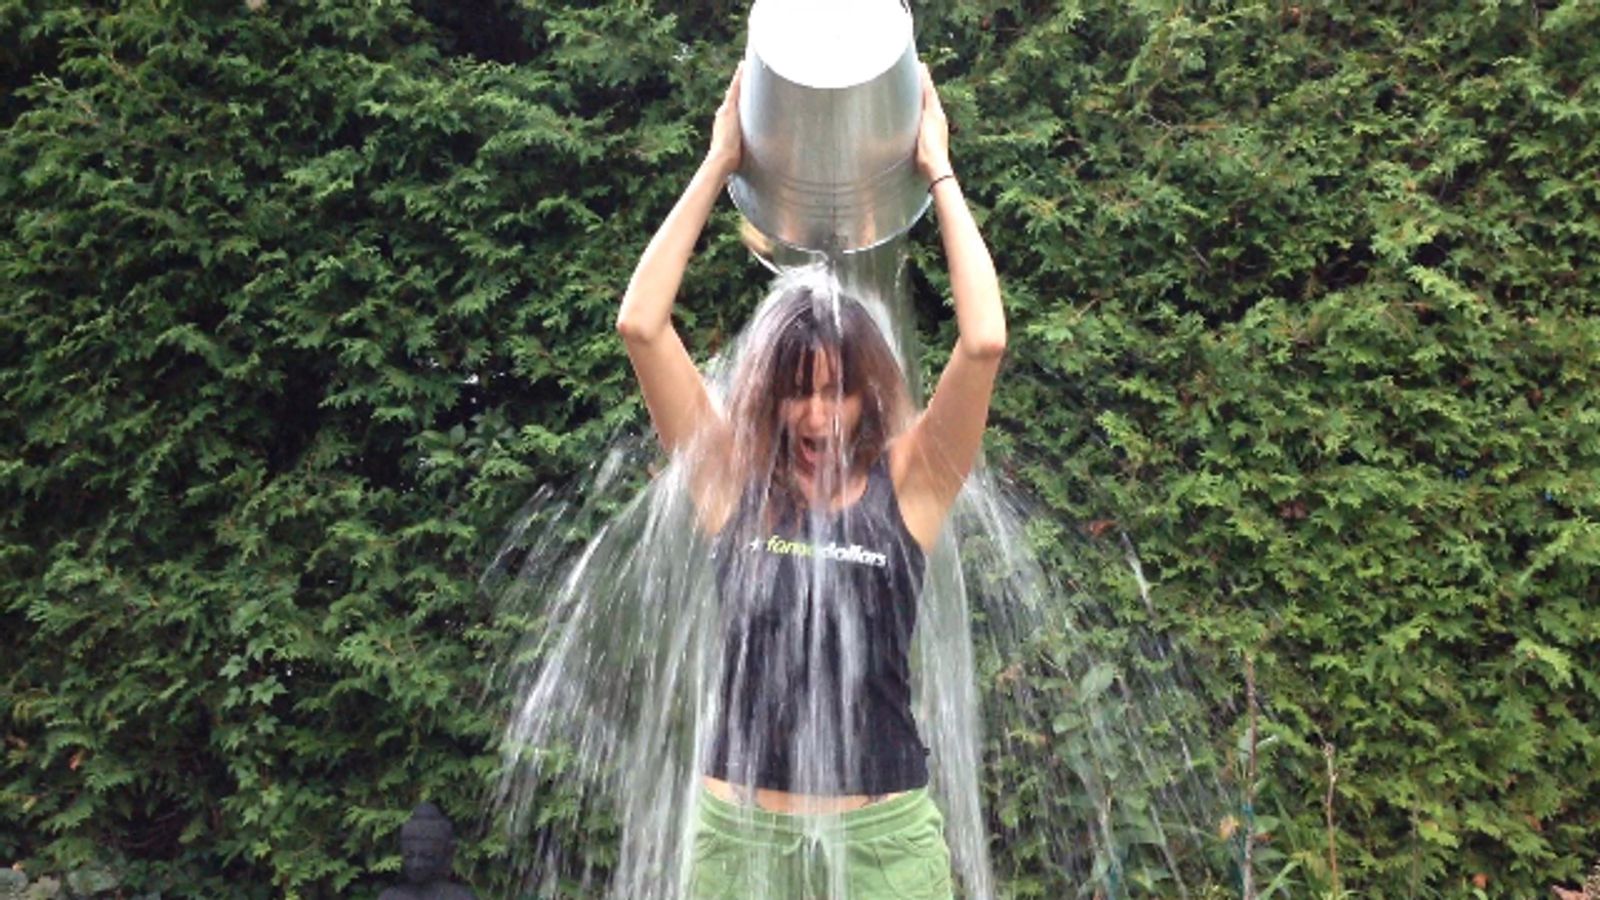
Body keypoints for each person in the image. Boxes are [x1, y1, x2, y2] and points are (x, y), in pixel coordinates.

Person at [616, 62, 1004, 900]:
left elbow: (982, 343)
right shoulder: (734, 482)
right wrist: (720, 163)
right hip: (741, 841)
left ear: (869, 396)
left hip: (881, 844)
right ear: (770, 397)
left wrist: (939, 169)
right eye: (797, 390)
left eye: (838, 390)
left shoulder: (912, 486)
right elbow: (641, 324)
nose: (818, 416)